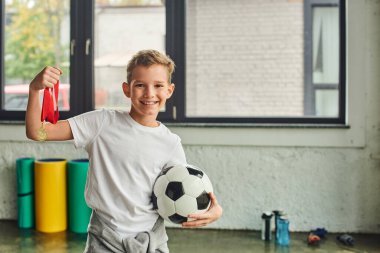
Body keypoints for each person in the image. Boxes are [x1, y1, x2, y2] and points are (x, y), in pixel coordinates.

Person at [25, 49, 223, 252]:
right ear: (127, 89)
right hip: (104, 240)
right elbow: (37, 131)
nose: (149, 93)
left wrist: (214, 210)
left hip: (151, 242)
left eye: (158, 86)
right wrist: (34, 90)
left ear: (169, 91)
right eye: (140, 85)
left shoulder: (171, 143)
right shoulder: (101, 123)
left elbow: (188, 190)